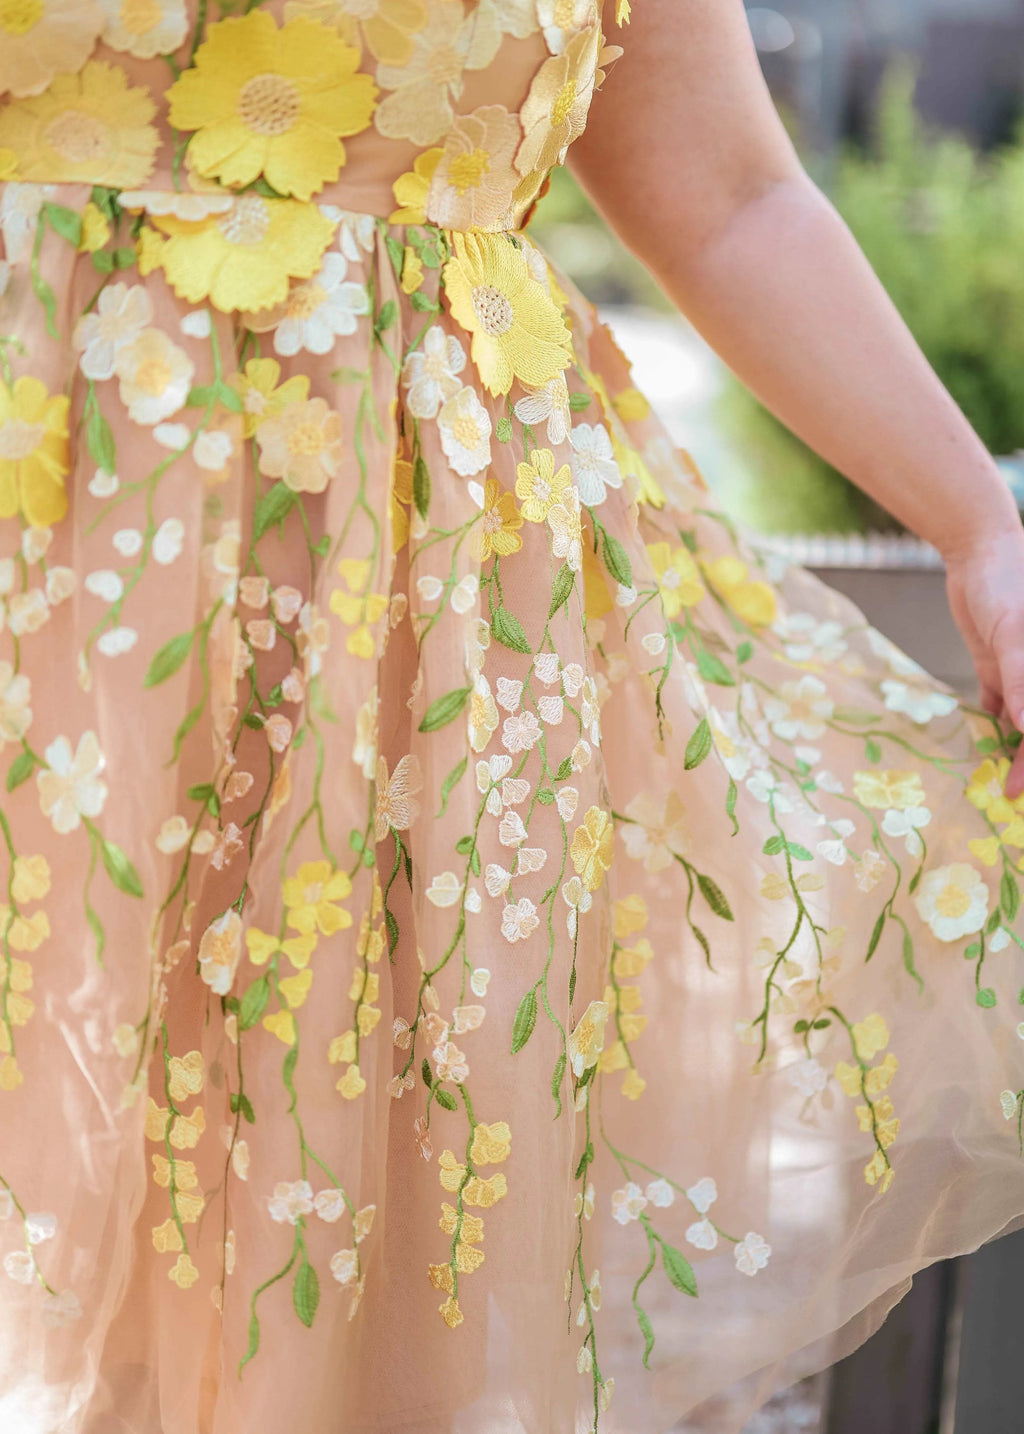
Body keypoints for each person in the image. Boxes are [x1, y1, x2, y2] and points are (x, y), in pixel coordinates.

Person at [0, 2, 1023, 1431]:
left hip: (426, 686)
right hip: (43, 586)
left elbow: (728, 197)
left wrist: (983, 527)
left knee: (332, 1319)